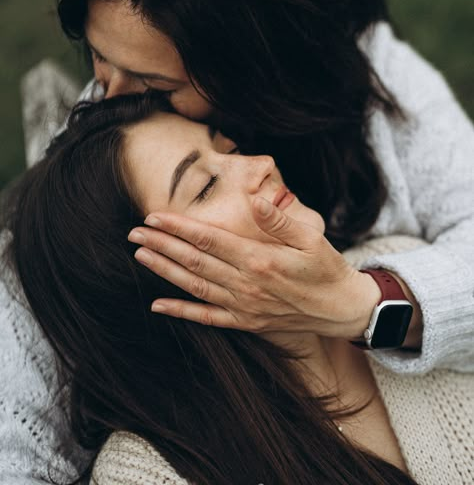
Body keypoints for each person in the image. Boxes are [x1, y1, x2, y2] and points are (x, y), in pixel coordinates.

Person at [0, 0, 473, 481]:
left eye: (150, 80)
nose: (106, 99)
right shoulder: (97, 195)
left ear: (256, 70)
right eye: (96, 56)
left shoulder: (374, 86)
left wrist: (362, 303)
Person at [7, 94, 473, 485]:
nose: (262, 165)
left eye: (227, 150)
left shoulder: (405, 270)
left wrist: (366, 307)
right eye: (206, 185)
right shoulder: (148, 474)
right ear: (141, 277)